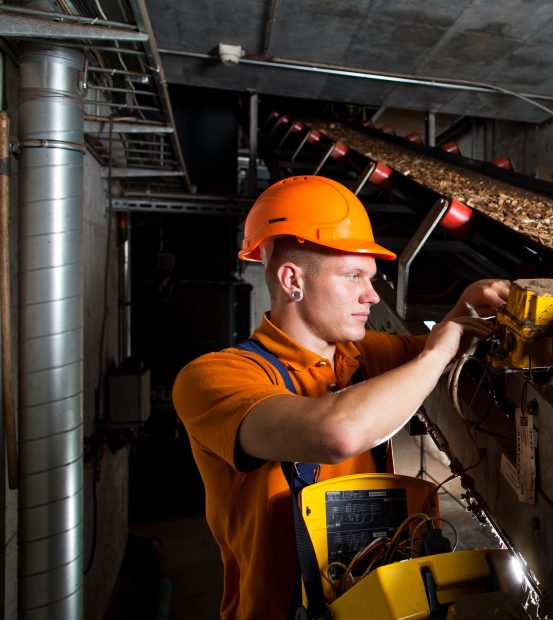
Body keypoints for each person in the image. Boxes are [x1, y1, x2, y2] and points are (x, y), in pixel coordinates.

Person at [172, 175, 509, 619]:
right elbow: (336, 434)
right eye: (353, 276)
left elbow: (437, 354)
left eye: (370, 277)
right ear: (292, 279)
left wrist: (464, 311)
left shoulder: (363, 354)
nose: (372, 296)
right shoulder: (214, 378)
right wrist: (438, 352)